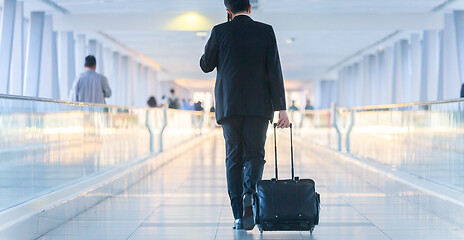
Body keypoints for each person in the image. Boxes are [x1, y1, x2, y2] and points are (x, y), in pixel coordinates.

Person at [200, 0, 290, 231]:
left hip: (229, 105)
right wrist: (282, 108)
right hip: (260, 106)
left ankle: (239, 214)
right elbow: (274, 71)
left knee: (234, 157)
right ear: (250, 7)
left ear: (228, 11)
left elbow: (206, 65)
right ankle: (250, 193)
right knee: (255, 153)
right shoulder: (265, 31)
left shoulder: (220, 31)